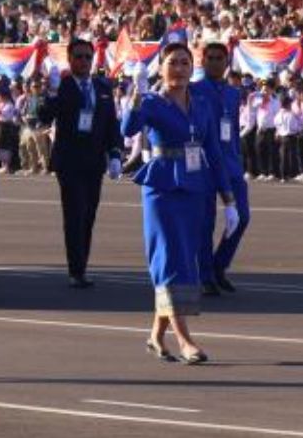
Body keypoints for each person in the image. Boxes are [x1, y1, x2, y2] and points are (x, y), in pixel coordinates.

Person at [121, 43, 239, 365]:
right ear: (161, 68)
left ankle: (156, 336)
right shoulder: (152, 102)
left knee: (185, 261)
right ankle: (185, 341)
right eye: (173, 62)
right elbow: (128, 129)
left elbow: (213, 151)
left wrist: (228, 199)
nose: (179, 68)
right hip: (162, 188)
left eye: (185, 63)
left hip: (194, 187)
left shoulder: (201, 104)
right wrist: (135, 97)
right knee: (169, 262)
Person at [38, 38, 123, 288]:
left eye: (88, 56)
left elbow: (111, 124)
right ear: (70, 59)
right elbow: (43, 117)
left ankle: (81, 264)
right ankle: (77, 270)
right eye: (79, 56)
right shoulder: (62, 86)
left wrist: (116, 153)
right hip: (70, 161)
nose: (84, 61)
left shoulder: (102, 86)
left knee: (88, 215)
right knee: (75, 214)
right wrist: (51, 92)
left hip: (94, 161)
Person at [192, 43, 250, 295]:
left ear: (227, 62)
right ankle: (205, 275)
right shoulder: (193, 90)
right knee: (205, 223)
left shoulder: (233, 93)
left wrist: (237, 157)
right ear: (203, 61)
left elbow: (234, 130)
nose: (215, 62)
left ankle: (219, 265)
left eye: (220, 58)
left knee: (242, 216)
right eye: (211, 58)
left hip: (229, 162)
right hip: (204, 163)